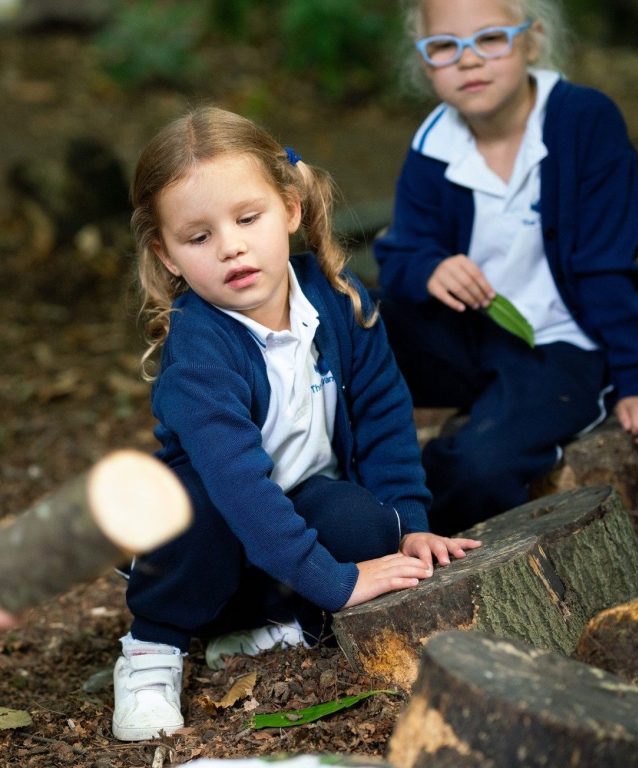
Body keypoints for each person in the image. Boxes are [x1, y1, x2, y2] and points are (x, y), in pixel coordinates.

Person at [112, 106, 480, 742]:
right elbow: (243, 491)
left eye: (247, 219)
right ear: (166, 255)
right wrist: (336, 584)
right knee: (194, 509)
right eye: (197, 238)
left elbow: (387, 420)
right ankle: (153, 648)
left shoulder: (342, 302)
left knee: (369, 524)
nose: (230, 246)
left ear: (290, 209)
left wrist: (411, 528)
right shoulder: (201, 353)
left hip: (294, 525)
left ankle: (278, 624)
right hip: (212, 536)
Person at [373, 0, 638, 536]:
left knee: (480, 466)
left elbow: (607, 266)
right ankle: (314, 483)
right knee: (350, 315)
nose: (468, 60)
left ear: (531, 40)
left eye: (490, 38)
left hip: (557, 345)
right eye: (445, 46)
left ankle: (391, 525)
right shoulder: (433, 145)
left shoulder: (583, 123)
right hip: (466, 337)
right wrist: (430, 268)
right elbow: (401, 255)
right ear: (425, 64)